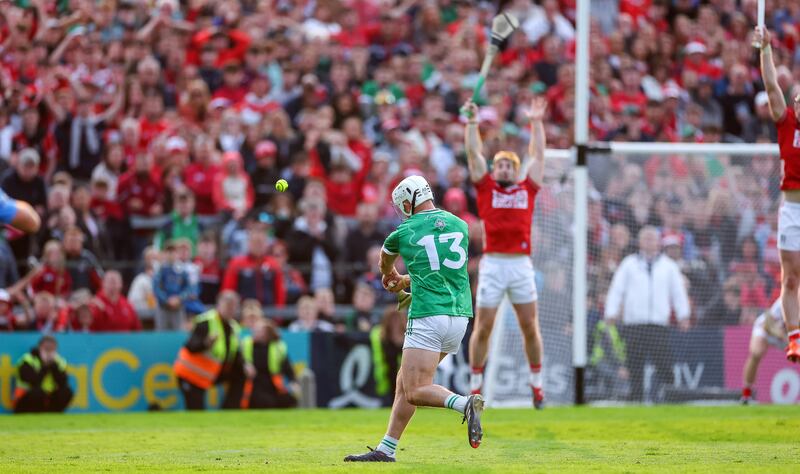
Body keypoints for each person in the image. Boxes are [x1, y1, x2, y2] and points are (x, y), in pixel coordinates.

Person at [344, 175, 481, 463]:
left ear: (409, 201)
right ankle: (387, 448)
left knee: (415, 389)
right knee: (404, 382)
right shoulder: (461, 225)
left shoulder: (403, 231)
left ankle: (464, 403)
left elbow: (384, 260)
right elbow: (437, 272)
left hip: (428, 315)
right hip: (460, 318)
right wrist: (407, 280)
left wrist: (390, 276)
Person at [462, 97, 548, 409]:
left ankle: (537, 385)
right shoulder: (486, 188)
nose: (505, 168)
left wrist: (536, 122)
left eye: (510, 165)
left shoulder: (528, 188)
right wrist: (471, 123)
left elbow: (539, 155)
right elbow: (472, 153)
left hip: (521, 265)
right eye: (500, 164)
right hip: (494, 264)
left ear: (516, 169)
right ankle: (475, 385)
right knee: (483, 325)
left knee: (529, 326)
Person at [604, 226, 691, 402]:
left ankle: (670, 397)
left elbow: (678, 292)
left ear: (658, 242)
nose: (649, 242)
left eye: (652, 238)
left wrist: (683, 315)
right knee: (635, 365)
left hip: (658, 324)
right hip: (635, 323)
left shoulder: (669, 266)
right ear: (639, 241)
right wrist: (611, 312)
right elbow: (616, 289)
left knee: (665, 364)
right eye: (646, 238)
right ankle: (636, 398)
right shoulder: (629, 264)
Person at [754, 26, 800, 362]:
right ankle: (794, 338)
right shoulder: (787, 125)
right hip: (792, 209)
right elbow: (771, 86)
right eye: (797, 99)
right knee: (790, 277)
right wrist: (766, 49)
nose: (798, 104)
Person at [173, 290, 245, 410]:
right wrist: (206, 343)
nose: (230, 309)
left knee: (241, 373)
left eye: (233, 306)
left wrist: (246, 364)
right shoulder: (205, 321)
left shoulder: (234, 327)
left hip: (211, 373)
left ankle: (230, 410)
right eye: (228, 305)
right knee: (197, 412)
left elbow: (235, 353)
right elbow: (190, 346)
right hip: (190, 375)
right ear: (219, 304)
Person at [240, 318, 298, 409]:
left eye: (259, 330)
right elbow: (239, 359)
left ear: (266, 333)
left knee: (290, 400)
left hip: (272, 385)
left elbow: (288, 368)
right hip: (253, 384)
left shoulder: (278, 347)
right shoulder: (246, 344)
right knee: (263, 401)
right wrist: (245, 364)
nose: (255, 332)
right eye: (255, 329)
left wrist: (293, 382)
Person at [13, 336, 73, 413]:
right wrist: (45, 366)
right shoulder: (27, 360)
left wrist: (53, 366)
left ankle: (53, 413)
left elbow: (63, 383)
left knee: (66, 392)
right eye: (46, 349)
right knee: (37, 393)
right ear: (39, 348)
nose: (49, 353)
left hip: (47, 398)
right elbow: (33, 381)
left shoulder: (59, 361)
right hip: (25, 399)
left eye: (52, 350)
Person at [741, 299, 784, 404]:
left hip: (789, 336)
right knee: (756, 353)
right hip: (768, 330)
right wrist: (782, 336)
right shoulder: (786, 299)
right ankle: (746, 395)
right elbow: (769, 323)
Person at [370, 308, 407, 400]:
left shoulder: (408, 338)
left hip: (403, 378)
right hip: (386, 377)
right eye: (392, 320)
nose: (395, 323)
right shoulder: (380, 338)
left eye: (397, 319)